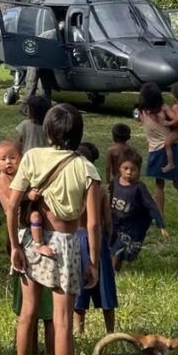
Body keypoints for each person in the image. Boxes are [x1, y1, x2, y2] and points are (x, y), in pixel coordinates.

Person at [6, 103, 101, 355]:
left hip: (32, 240)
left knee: (28, 315)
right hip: (66, 244)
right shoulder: (86, 168)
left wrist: (14, 246)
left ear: (48, 130)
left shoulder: (32, 157)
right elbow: (93, 224)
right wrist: (92, 261)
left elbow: (12, 205)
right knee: (62, 323)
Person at [0, 138, 56, 355]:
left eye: (13, 157)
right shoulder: (2, 180)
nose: (9, 163)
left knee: (47, 312)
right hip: (21, 239)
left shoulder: (27, 175)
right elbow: (9, 204)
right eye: (3, 159)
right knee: (30, 311)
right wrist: (27, 196)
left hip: (35, 233)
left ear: (22, 158)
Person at [136, 82, 178, 225]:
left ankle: (160, 216)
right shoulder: (163, 108)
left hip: (156, 150)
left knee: (159, 185)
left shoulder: (142, 112)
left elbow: (140, 120)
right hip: (172, 148)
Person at [73, 142, 117, 335]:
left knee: (78, 293)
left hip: (76, 237)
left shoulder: (71, 183)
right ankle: (110, 332)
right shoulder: (98, 187)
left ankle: (79, 331)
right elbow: (106, 220)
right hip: (97, 239)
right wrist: (108, 239)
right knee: (105, 290)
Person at [109, 148, 168, 272]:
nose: (129, 172)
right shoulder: (115, 181)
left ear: (139, 170)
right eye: (126, 168)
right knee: (112, 248)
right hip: (115, 223)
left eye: (133, 169)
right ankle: (113, 271)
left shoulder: (139, 188)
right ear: (120, 168)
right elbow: (109, 196)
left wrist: (161, 225)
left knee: (118, 251)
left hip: (130, 227)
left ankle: (113, 273)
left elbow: (151, 206)